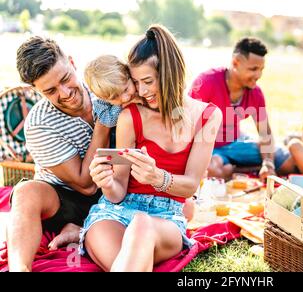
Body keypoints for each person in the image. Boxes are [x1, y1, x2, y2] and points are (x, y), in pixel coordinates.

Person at [83, 24, 222, 272]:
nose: (142, 91)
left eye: (148, 81)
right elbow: (118, 192)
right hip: (115, 213)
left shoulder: (207, 116)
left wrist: (158, 177)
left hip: (166, 217)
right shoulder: (130, 116)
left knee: (141, 226)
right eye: (136, 82)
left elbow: (190, 185)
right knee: (129, 261)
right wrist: (105, 181)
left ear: (171, 73)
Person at [8, 36, 110, 272]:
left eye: (66, 79)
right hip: (68, 199)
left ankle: (79, 231)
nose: (65, 94)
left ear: (72, 63)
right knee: (25, 192)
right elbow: (86, 185)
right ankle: (19, 268)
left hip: (121, 190)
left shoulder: (105, 89)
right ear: (36, 90)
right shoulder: (39, 123)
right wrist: (104, 124)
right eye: (51, 90)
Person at [84, 54, 196, 221]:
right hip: (123, 163)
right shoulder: (116, 112)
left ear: (130, 76)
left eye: (125, 90)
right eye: (114, 98)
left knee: (189, 208)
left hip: (160, 184)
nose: (125, 99)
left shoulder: (149, 95)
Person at [189, 37, 291, 181]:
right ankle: (241, 170)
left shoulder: (255, 92)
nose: (258, 75)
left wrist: (268, 163)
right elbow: (186, 124)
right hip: (209, 148)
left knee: (286, 161)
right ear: (235, 63)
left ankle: (237, 170)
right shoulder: (206, 82)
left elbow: (265, 132)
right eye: (253, 69)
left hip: (237, 144)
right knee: (211, 171)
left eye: (261, 69)